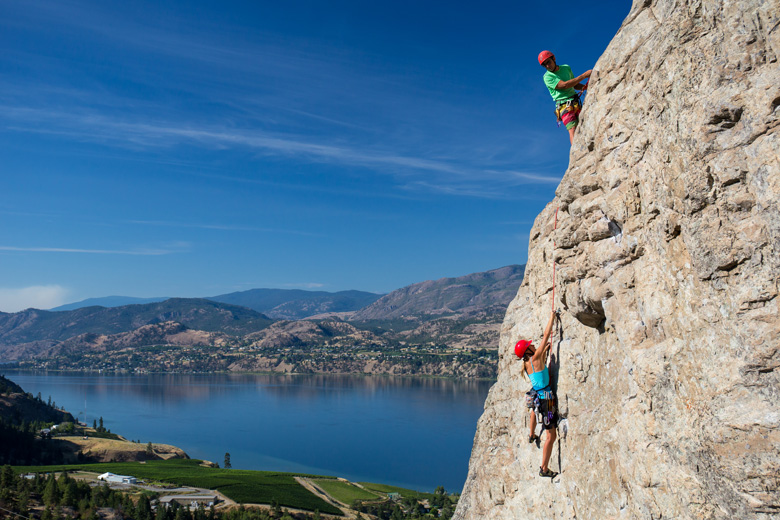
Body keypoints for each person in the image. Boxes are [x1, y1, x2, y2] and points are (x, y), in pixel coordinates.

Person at [515, 308, 559, 478]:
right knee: (551, 435)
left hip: (537, 395)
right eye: (530, 345)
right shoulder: (536, 356)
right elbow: (547, 334)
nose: (533, 345)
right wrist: (552, 317)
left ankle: (532, 434)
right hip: (546, 399)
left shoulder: (527, 364)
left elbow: (538, 366)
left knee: (534, 410)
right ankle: (544, 468)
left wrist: (544, 352)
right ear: (528, 351)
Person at [538, 50, 592, 144]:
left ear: (554, 59)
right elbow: (564, 85)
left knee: (583, 126)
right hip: (564, 106)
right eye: (544, 65)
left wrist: (587, 86)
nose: (547, 66)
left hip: (575, 102)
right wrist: (584, 75)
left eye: (548, 62)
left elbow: (574, 85)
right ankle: (577, 155)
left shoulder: (566, 68)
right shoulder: (547, 77)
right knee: (573, 129)